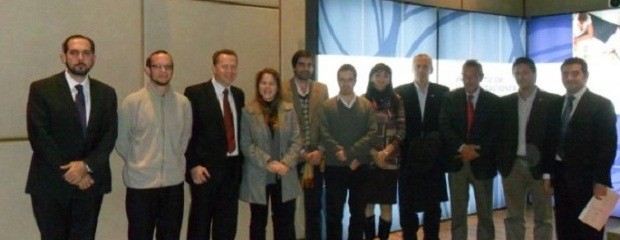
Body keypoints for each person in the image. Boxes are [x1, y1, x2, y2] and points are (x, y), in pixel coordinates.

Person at [26, 34, 118, 240]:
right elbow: (39, 136)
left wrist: (85, 166)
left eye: (86, 53)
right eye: (74, 53)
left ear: (93, 58)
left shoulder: (106, 93)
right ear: (63, 56)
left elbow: (109, 136)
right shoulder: (42, 89)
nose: (80, 58)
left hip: (90, 184)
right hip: (51, 183)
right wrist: (72, 171)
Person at [116, 50, 192, 240]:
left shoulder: (183, 103)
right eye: (157, 66)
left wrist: (174, 160)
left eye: (167, 66)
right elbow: (121, 141)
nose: (163, 71)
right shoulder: (133, 102)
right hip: (141, 186)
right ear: (147, 70)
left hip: (173, 185)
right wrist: (139, 163)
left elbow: (185, 138)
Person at [543, 57, 617, 240]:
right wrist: (547, 175)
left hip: (589, 179)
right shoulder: (555, 105)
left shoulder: (601, 105)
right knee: (565, 227)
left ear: (585, 76)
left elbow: (607, 146)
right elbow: (549, 143)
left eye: (575, 73)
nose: (569, 78)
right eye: (565, 73)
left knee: (589, 230)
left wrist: (600, 181)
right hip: (560, 177)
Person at [184, 49, 245, 240]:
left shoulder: (238, 94)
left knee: (227, 226)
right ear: (214, 68)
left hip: (232, 169)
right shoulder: (195, 93)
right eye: (225, 66)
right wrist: (192, 165)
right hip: (205, 171)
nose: (230, 71)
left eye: (233, 67)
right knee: (200, 226)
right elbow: (187, 133)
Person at [439, 59, 501, 240]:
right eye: (465, 76)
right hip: (457, 163)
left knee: (485, 214)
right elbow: (444, 126)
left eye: (473, 76)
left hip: (482, 164)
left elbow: (495, 132)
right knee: (458, 214)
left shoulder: (493, 101)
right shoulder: (450, 98)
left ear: (481, 77)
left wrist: (477, 152)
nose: (469, 80)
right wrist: (462, 147)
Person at [497, 57, 557, 240]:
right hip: (513, 166)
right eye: (517, 73)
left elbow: (553, 140)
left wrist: (549, 173)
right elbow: (499, 135)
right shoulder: (505, 103)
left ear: (534, 74)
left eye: (525, 72)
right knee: (513, 216)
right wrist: (502, 165)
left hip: (540, 167)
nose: (521, 77)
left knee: (544, 216)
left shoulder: (552, 101)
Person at [239, 68, 302, 240]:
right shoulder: (247, 111)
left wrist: (285, 164)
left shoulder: (289, 110)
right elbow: (245, 143)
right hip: (259, 174)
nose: (267, 87)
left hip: (284, 174)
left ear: (277, 86)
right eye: (263, 83)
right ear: (258, 86)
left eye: (271, 83)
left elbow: (297, 141)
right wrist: (268, 162)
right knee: (258, 223)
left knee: (285, 223)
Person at [319, 64, 376, 240]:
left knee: (358, 213)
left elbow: (372, 133)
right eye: (342, 80)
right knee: (334, 214)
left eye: (349, 79)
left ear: (355, 81)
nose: (346, 84)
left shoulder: (366, 105)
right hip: (335, 167)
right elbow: (324, 133)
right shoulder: (327, 106)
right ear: (337, 80)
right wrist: (338, 152)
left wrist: (352, 154)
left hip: (359, 166)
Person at [395, 54, 449, 240]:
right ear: (412, 68)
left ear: (431, 69)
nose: (421, 69)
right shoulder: (400, 92)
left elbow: (446, 125)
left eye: (426, 66)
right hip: (408, 158)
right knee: (407, 206)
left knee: (433, 207)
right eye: (418, 65)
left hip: (434, 159)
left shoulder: (443, 92)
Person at [281, 50, 328, 240]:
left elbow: (327, 122)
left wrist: (320, 150)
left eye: (309, 64)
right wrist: (299, 152)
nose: (305, 68)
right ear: (294, 66)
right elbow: (281, 125)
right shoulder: (283, 88)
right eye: (301, 64)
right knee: (287, 209)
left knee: (314, 207)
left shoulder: (322, 89)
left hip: (315, 159)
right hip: (292, 158)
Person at [361, 63, 405, 240]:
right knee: (368, 204)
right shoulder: (363, 100)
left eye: (385, 75)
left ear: (390, 78)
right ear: (371, 77)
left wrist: (386, 152)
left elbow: (402, 130)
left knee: (386, 205)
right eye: (377, 75)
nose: (381, 78)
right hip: (369, 160)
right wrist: (374, 154)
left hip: (390, 160)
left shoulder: (397, 99)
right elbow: (360, 131)